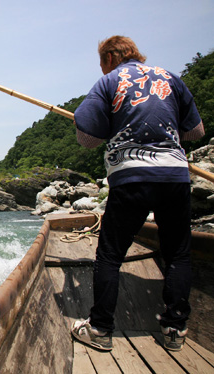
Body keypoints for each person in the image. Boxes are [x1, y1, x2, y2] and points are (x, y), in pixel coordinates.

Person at [70, 36, 204, 352]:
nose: (101, 69)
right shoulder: (171, 78)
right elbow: (195, 132)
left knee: (110, 254)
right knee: (178, 253)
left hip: (131, 177)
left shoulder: (108, 83)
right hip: (174, 176)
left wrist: (113, 126)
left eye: (102, 62)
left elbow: (87, 138)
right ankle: (175, 328)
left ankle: (100, 329)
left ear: (112, 57)